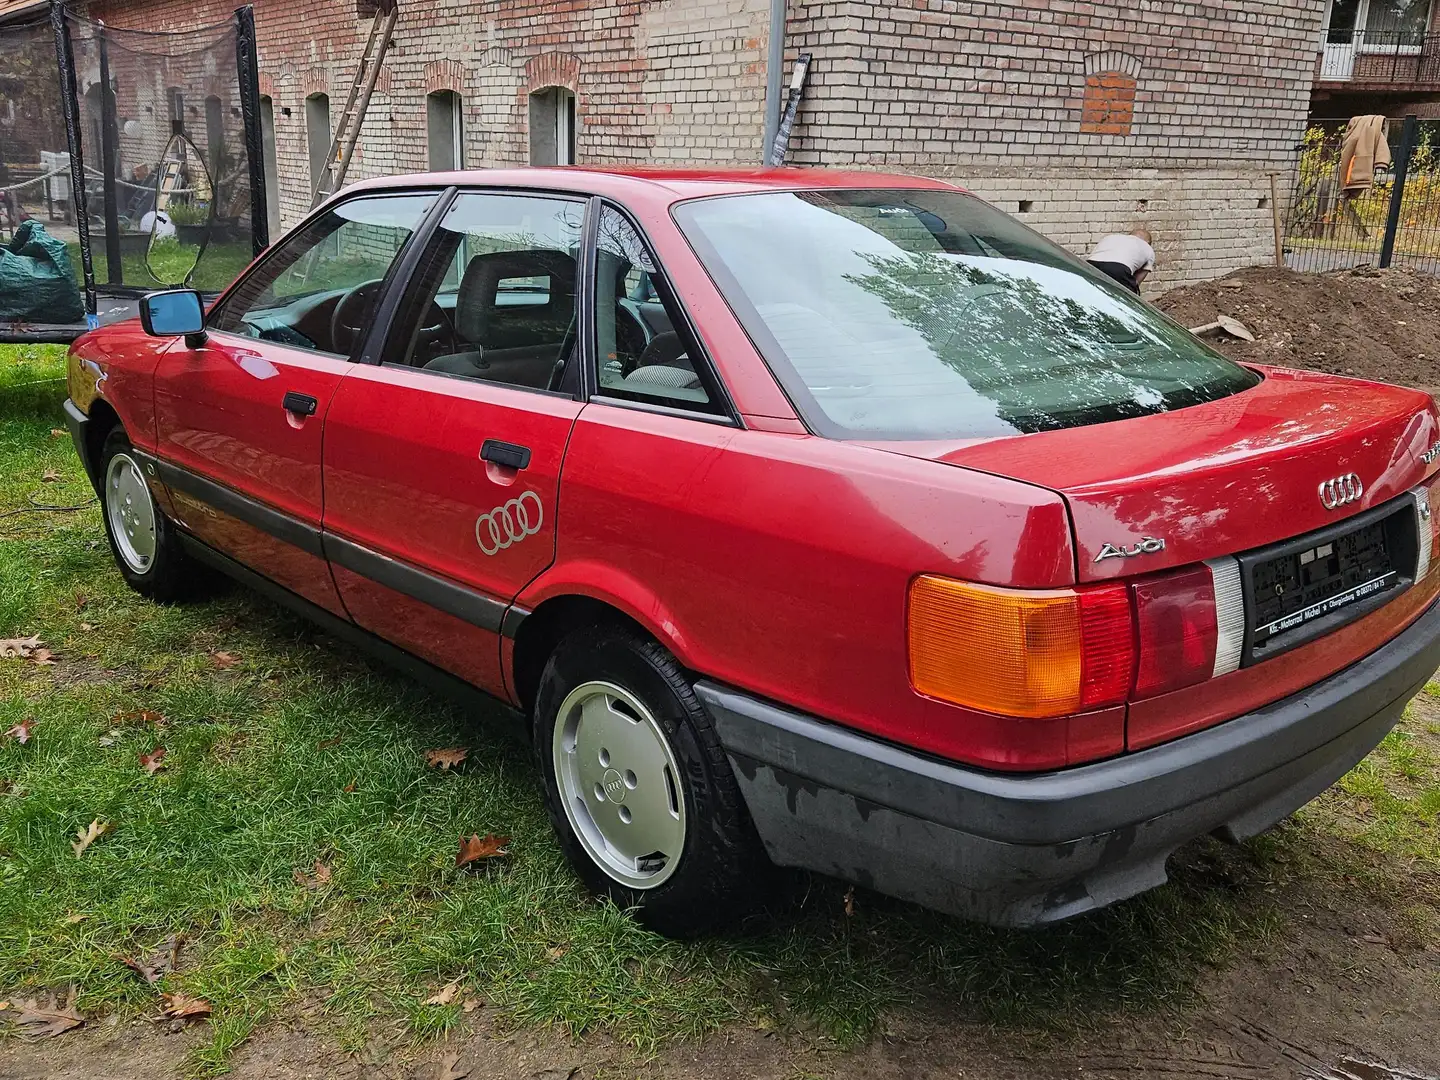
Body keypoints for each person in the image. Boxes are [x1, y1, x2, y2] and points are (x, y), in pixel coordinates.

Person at [1086, 228, 1155, 294]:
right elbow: (1137, 281)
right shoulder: (1148, 248)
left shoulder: (1110, 237)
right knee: (1129, 296)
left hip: (1090, 264)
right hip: (1118, 269)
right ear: (1148, 242)